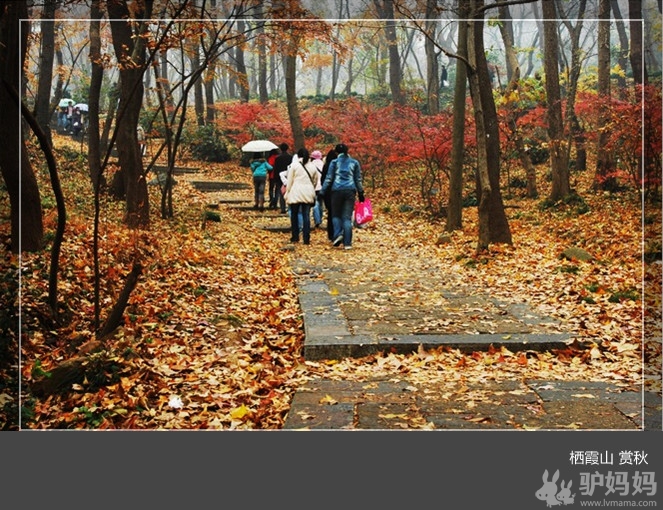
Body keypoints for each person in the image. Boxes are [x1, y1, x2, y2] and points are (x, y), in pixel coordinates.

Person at [319, 143, 364, 250]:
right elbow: (358, 179)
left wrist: (322, 191)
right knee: (347, 217)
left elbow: (329, 178)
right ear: (347, 151)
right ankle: (347, 243)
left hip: (336, 191)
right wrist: (361, 192)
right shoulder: (354, 163)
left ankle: (338, 234)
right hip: (350, 191)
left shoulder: (334, 163)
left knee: (336, 215)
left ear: (336, 152)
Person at [284, 148, 318, 245]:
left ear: (298, 155)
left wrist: (288, 192)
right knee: (306, 215)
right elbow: (315, 181)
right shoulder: (312, 166)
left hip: (296, 191)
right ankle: (306, 238)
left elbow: (290, 181)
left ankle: (295, 236)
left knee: (294, 215)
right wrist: (311, 188)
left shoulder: (294, 166)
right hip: (308, 192)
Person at [319, 148, 337, 241]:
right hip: (338, 191)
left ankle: (331, 233)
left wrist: (323, 191)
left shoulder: (326, 166)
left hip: (328, 192)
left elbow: (323, 180)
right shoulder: (339, 165)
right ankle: (338, 232)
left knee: (330, 213)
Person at [273, 143, 293, 213]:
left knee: (281, 193)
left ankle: (283, 208)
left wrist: (275, 178)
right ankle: (289, 207)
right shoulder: (291, 157)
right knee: (290, 192)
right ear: (287, 148)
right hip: (289, 176)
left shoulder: (278, 158)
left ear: (281, 149)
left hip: (280, 177)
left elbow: (275, 168)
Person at [310, 150, 325, 228]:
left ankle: (317, 220)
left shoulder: (311, 165)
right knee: (321, 203)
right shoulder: (323, 164)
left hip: (315, 187)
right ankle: (320, 218)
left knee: (315, 203)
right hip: (322, 187)